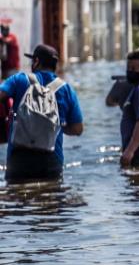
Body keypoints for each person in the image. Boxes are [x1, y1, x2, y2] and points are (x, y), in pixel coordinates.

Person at [0, 45, 83, 182]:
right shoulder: (66, 89)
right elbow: (78, 129)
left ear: (37, 61)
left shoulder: (19, 80)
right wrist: (56, 125)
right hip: (51, 159)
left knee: (18, 198)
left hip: (19, 158)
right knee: (50, 198)